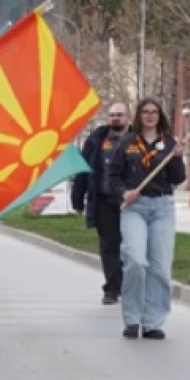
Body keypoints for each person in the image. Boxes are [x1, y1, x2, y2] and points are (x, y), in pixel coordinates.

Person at [106, 98, 185, 340]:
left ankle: (153, 322)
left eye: (154, 112)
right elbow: (113, 176)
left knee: (160, 267)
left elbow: (177, 178)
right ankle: (131, 318)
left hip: (162, 207)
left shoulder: (169, 144)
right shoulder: (127, 143)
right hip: (135, 208)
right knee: (135, 261)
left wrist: (178, 157)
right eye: (145, 112)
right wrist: (123, 193)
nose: (150, 116)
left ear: (160, 116)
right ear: (139, 116)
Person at [71, 102, 131, 305]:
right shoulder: (97, 140)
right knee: (109, 247)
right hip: (105, 202)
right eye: (113, 115)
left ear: (128, 118)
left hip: (132, 204)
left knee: (132, 247)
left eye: (120, 115)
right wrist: (77, 199)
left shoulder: (137, 140)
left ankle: (129, 285)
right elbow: (83, 169)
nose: (116, 118)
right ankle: (112, 289)